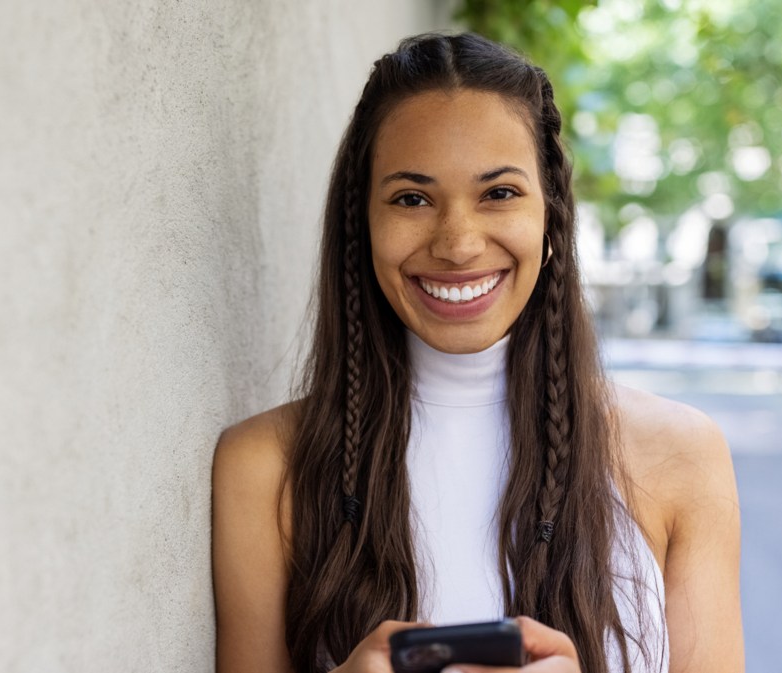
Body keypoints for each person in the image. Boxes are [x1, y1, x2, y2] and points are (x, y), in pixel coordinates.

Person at [212, 32, 744, 673]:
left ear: (553, 220)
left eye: (499, 193)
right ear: (363, 225)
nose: (459, 243)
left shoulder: (681, 454)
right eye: (412, 198)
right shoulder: (263, 467)